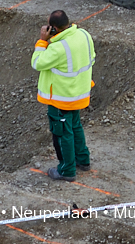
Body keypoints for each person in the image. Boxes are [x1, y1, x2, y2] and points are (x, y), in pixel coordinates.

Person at [31, 10, 95, 182]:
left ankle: (67, 170)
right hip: (79, 94)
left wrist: (42, 42)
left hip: (61, 99)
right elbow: (91, 58)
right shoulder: (83, 35)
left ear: (54, 28)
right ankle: (83, 160)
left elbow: (37, 63)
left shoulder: (58, 48)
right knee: (75, 127)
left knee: (62, 134)